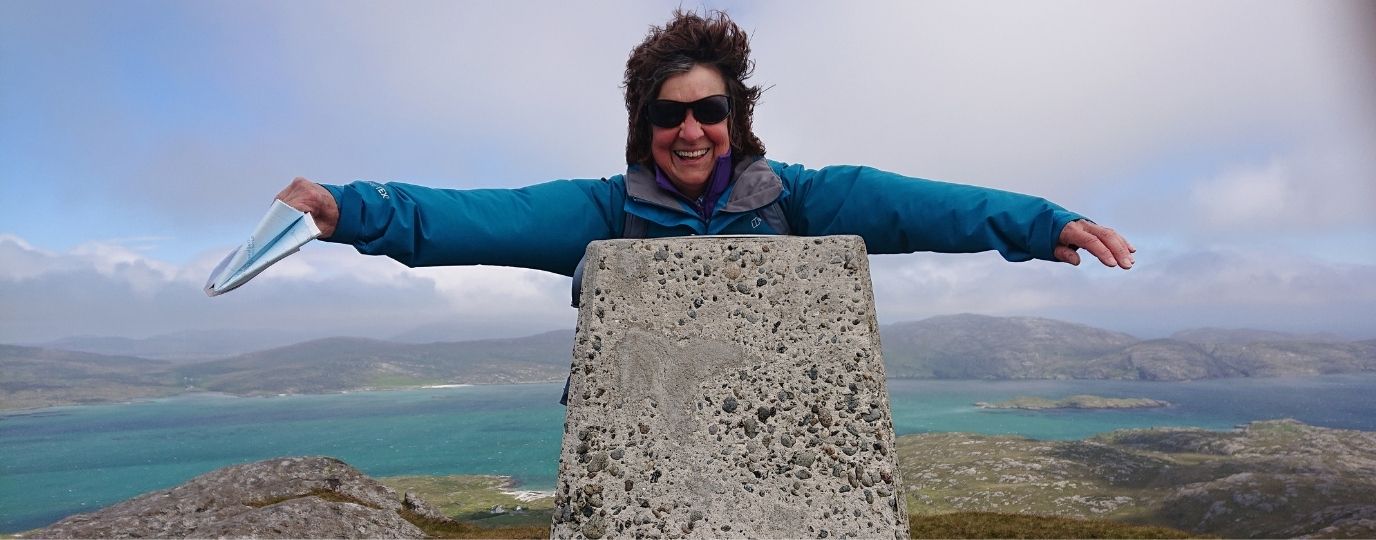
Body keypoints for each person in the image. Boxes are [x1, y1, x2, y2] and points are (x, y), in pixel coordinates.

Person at [275, 10, 1133, 292]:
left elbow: (916, 204)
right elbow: (474, 220)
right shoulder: (609, 212)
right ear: (644, 126)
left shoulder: (796, 198)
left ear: (736, 115)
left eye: (709, 109)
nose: (690, 131)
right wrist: (348, 208)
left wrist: (1040, 222)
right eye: (668, 114)